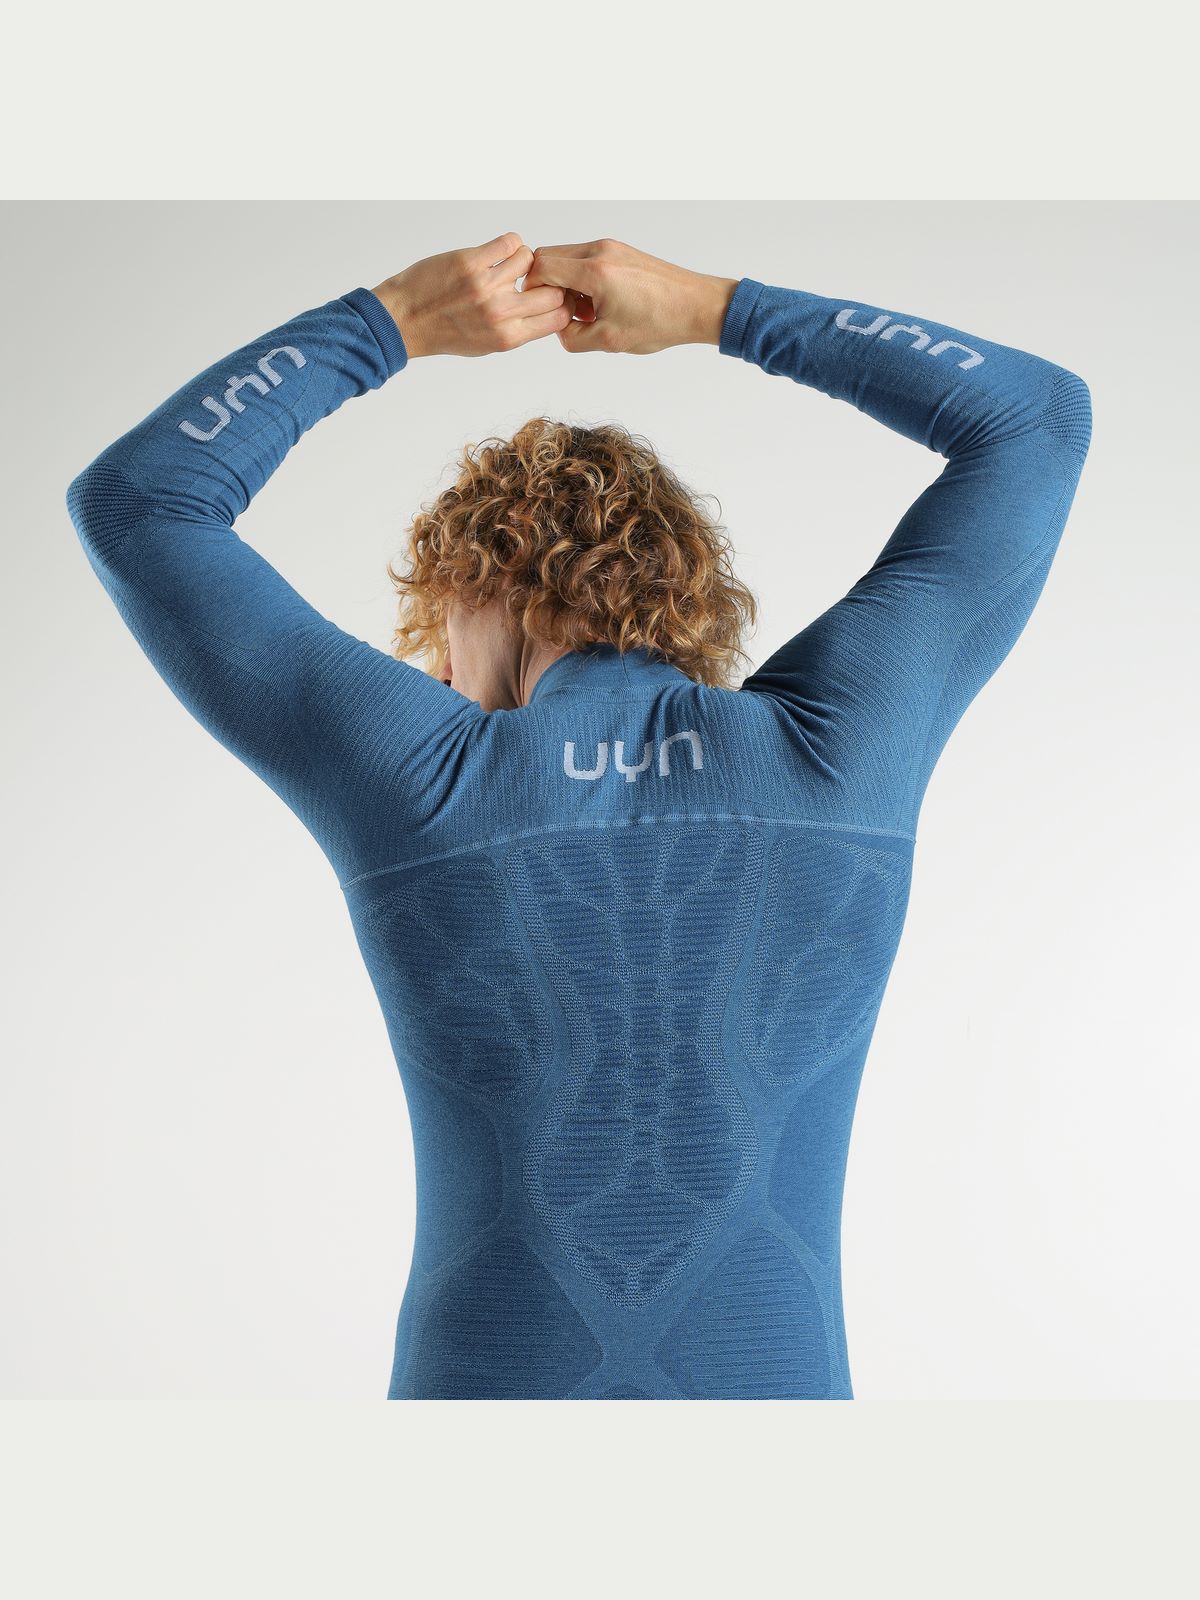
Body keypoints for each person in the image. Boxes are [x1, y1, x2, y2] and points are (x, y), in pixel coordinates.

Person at [66, 232, 1092, 1399]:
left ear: (485, 584)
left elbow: (141, 503)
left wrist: (388, 323)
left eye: (440, 635)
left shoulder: (431, 775)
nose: (439, 675)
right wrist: (718, 308)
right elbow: (1035, 419)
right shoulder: (829, 750)